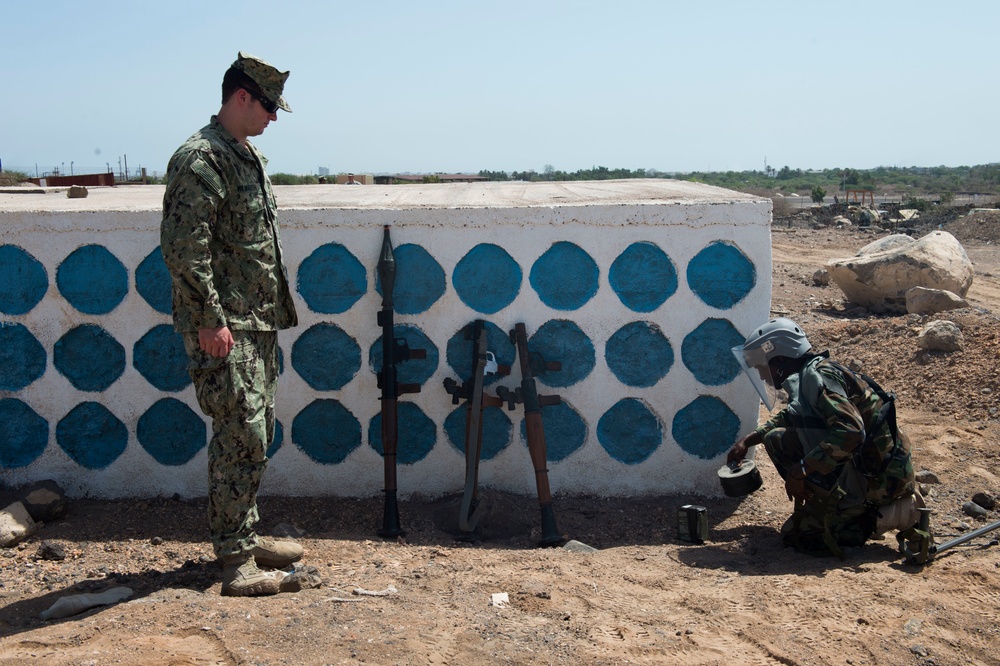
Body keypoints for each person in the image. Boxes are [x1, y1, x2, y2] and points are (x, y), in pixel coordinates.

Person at [161, 52, 302, 596]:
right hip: (223, 325)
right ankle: (234, 562)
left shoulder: (246, 156)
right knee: (239, 434)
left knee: (258, 433)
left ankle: (243, 533)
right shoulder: (201, 159)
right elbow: (184, 248)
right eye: (268, 106)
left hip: (257, 322)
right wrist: (208, 321)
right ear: (241, 96)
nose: (273, 117)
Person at [727, 317, 921, 557]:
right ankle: (834, 504)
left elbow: (850, 430)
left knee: (804, 538)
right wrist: (747, 441)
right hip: (863, 467)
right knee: (776, 439)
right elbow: (793, 415)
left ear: (778, 361)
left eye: (761, 366)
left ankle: (894, 512)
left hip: (880, 478)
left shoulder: (819, 377)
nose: (762, 375)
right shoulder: (809, 375)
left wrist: (800, 471)